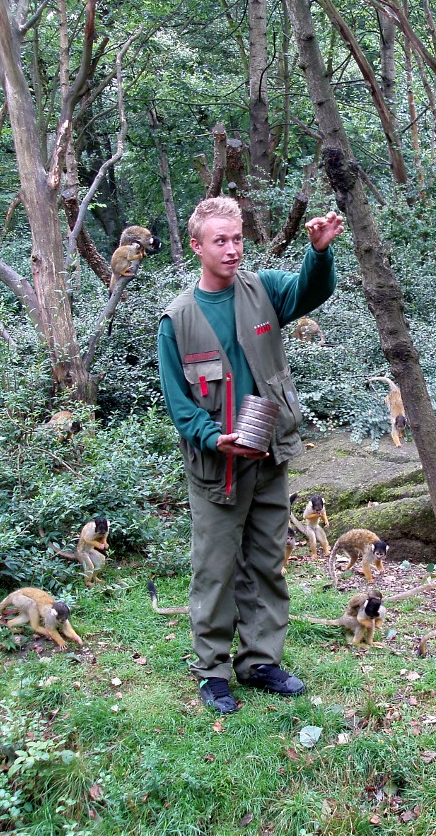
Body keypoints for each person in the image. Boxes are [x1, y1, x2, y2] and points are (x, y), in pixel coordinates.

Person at [158, 196, 344, 714]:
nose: (233, 249)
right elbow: (178, 402)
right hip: (217, 467)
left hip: (268, 459)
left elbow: (313, 290)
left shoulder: (264, 290)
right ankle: (213, 671)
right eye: (220, 240)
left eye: (238, 239)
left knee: (266, 561)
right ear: (197, 246)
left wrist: (319, 253)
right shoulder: (177, 320)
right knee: (215, 570)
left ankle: (260, 660)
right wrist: (215, 438)